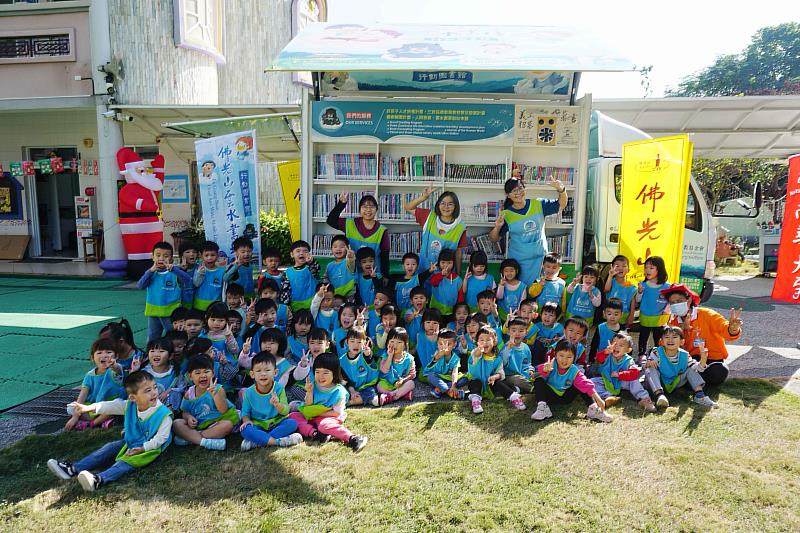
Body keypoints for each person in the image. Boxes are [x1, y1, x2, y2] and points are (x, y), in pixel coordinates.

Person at [47, 370, 173, 492]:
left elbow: (161, 439)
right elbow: (110, 406)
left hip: (151, 449)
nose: (154, 393)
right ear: (133, 397)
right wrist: (88, 408)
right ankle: (73, 469)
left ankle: (98, 480)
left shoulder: (163, 414)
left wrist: (143, 448)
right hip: (132, 441)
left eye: (155, 387)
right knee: (110, 447)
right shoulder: (129, 405)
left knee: (125, 462)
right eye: (148, 391)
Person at [489, 176, 568, 287]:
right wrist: (497, 227)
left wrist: (561, 189)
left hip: (539, 261)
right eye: (514, 191)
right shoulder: (506, 214)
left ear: (525, 189)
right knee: (520, 294)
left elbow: (561, 205)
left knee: (538, 293)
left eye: (520, 188)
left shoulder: (538, 204)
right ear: (508, 195)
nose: (518, 193)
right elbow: (494, 238)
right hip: (518, 264)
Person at [662, 283, 743, 386]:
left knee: (720, 371)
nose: (676, 304)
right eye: (672, 303)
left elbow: (725, 329)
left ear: (689, 300)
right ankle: (693, 381)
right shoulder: (673, 322)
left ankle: (690, 381)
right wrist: (682, 329)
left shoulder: (706, 314)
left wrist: (733, 328)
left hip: (712, 360)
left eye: (679, 301)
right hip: (690, 361)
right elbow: (665, 346)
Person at [288, 352, 369, 452]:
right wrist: (309, 392)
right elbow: (308, 405)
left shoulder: (339, 392)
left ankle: (353, 438)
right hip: (313, 415)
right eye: (317, 372)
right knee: (293, 416)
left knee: (324, 425)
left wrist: (317, 413)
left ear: (334, 374)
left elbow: (336, 412)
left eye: (325, 373)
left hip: (330, 416)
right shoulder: (313, 386)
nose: (321, 376)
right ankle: (317, 434)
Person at [529, 339, 612, 422]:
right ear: (555, 355)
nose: (565, 360)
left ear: (574, 358)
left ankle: (593, 409)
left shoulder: (574, 370)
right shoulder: (550, 364)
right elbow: (538, 373)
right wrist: (544, 370)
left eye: (569, 357)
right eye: (561, 355)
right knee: (539, 380)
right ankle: (543, 408)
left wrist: (599, 400)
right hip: (549, 396)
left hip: (566, 397)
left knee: (582, 384)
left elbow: (587, 384)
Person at [172, 355, 239, 450]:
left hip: (218, 422)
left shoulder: (218, 389)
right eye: (197, 373)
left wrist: (214, 394)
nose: (203, 375)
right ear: (190, 376)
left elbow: (223, 410)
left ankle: (192, 439)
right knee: (177, 423)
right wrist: (189, 417)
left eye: (206, 371)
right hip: (200, 424)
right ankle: (204, 441)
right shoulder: (189, 393)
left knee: (227, 425)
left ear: (213, 373)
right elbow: (185, 412)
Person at [239, 352, 303, 451]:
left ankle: (258, 441)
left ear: (275, 372)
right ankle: (278, 442)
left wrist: (277, 405)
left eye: (267, 370)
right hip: (258, 425)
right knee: (245, 429)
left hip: (276, 423)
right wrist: (246, 421)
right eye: (258, 371)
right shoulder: (249, 392)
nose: (263, 374)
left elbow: (286, 411)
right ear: (252, 374)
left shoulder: (279, 388)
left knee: (292, 423)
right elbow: (245, 412)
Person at [644, 326, 718, 409]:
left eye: (674, 337)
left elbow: (698, 368)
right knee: (650, 369)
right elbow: (646, 366)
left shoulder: (685, 355)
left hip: (675, 382)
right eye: (667, 337)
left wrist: (703, 358)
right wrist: (649, 363)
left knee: (691, 369)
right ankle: (660, 395)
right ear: (661, 341)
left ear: (682, 342)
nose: (670, 340)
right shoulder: (656, 352)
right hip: (658, 383)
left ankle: (700, 396)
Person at [64, 337, 124, 431]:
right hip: (93, 405)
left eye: (108, 352)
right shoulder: (89, 375)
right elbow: (82, 395)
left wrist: (114, 366)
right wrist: (75, 416)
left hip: (110, 404)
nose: (104, 356)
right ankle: (102, 422)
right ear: (92, 357)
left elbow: (118, 370)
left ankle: (93, 424)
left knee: (114, 407)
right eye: (99, 353)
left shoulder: (115, 370)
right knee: (72, 407)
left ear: (116, 356)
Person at [403, 188, 467, 272]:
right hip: (424, 271)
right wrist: (423, 198)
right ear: (438, 204)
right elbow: (408, 208)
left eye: (450, 204)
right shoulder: (429, 216)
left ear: (456, 206)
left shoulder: (460, 227)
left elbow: (458, 253)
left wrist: (458, 274)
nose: (446, 207)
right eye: (443, 203)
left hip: (445, 274)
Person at [327, 193, 389, 278]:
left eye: (371, 207)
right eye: (364, 207)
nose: (368, 210)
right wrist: (341, 204)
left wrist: (385, 276)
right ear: (359, 210)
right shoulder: (349, 223)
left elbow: (384, 257)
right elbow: (330, 221)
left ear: (376, 209)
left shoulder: (382, 231)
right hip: (351, 274)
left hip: (372, 276)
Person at [466, 326, 525, 414]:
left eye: (488, 340)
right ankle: (476, 402)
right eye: (481, 340)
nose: (484, 343)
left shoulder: (497, 359)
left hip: (490, 385)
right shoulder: (475, 352)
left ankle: (513, 397)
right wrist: (479, 349)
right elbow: (476, 355)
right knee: (475, 382)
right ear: (477, 342)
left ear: (494, 342)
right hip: (476, 384)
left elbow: (500, 373)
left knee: (498, 383)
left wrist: (494, 377)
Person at [592, 333, 656, 413]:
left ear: (628, 350)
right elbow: (599, 359)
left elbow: (635, 373)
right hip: (607, 380)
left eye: (621, 345)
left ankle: (644, 399)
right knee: (592, 382)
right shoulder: (607, 355)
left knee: (634, 381)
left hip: (622, 381)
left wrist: (619, 374)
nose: (616, 347)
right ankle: (609, 397)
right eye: (614, 344)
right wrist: (605, 352)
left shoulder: (629, 360)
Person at [636, 256, 671, 357]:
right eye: (646, 267)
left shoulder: (667, 286)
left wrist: (667, 310)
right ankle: (641, 355)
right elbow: (638, 300)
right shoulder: (643, 284)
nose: (647, 270)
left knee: (659, 339)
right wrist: (640, 292)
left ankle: (660, 357)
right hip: (645, 317)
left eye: (651, 268)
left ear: (659, 269)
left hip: (660, 318)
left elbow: (671, 301)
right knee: (643, 337)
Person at [339, 328, 380, 406]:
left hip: (366, 386)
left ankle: (351, 402)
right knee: (341, 392)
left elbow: (369, 359)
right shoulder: (342, 361)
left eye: (359, 342)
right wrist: (353, 391)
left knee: (371, 392)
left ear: (364, 342)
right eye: (352, 341)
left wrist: (368, 354)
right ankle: (359, 399)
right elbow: (345, 380)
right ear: (347, 342)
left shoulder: (365, 355)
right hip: (351, 388)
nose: (355, 345)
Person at [377, 327, 417, 405]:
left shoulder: (409, 358)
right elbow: (384, 370)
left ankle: (390, 396)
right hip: (387, 382)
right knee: (379, 386)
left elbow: (412, 374)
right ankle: (401, 395)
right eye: (392, 341)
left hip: (401, 384)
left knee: (411, 383)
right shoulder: (385, 356)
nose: (395, 345)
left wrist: (403, 380)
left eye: (399, 342)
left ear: (405, 345)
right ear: (388, 343)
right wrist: (390, 356)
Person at [424, 328, 467, 399]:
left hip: (449, 379)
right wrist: (442, 352)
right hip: (438, 377)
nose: (444, 347)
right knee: (431, 376)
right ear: (437, 343)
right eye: (441, 344)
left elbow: (454, 373)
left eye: (448, 344)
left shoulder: (456, 358)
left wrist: (454, 385)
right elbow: (436, 357)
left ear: (454, 345)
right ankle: (449, 391)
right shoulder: (437, 353)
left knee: (464, 379)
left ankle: (439, 390)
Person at [280, 240, 321, 311]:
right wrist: (286, 306)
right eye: (298, 251)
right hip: (295, 307)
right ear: (292, 254)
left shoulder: (311, 267)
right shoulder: (288, 272)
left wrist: (311, 262)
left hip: (313, 305)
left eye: (305, 251)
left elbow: (317, 270)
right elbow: (285, 291)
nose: (301, 253)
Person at [501, 318, 534, 398]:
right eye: (514, 330)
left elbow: (527, 363)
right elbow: (503, 362)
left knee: (538, 375)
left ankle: (518, 390)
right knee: (517, 379)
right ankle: (534, 389)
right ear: (508, 332)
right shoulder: (507, 346)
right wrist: (508, 349)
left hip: (523, 374)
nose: (517, 333)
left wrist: (530, 370)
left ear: (526, 332)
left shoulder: (526, 347)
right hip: (509, 376)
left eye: (521, 331)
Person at [427, 248, 463, 318]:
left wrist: (458, 310)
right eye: (443, 262)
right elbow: (433, 282)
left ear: (453, 263)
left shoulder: (458, 279)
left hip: (451, 312)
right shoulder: (436, 276)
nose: (446, 265)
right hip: (436, 311)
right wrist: (441, 275)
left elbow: (460, 297)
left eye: (449, 263)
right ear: (439, 263)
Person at [603, 255, 637, 328]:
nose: (620, 268)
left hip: (624, 317)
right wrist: (610, 275)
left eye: (624, 266)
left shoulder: (631, 287)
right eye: (617, 266)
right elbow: (606, 289)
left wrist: (631, 316)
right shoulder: (611, 281)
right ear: (612, 268)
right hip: (610, 316)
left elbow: (632, 303)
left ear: (628, 270)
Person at [588, 298, 626, 363]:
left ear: (621, 314)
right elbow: (594, 345)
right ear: (604, 313)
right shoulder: (600, 328)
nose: (612, 317)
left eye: (616, 314)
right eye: (609, 314)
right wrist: (591, 360)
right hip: (602, 359)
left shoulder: (623, 330)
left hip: (617, 361)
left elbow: (626, 345)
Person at [193, 240, 225, 312]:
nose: (210, 258)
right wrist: (200, 274)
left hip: (216, 308)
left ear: (217, 255)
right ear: (201, 256)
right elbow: (195, 284)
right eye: (206, 255)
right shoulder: (198, 269)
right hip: (199, 307)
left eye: (213, 255)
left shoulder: (222, 271)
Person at [323, 235, 356, 300]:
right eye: (335, 247)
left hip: (349, 297)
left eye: (342, 247)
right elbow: (326, 279)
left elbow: (351, 263)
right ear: (331, 249)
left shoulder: (348, 261)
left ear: (348, 248)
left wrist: (351, 257)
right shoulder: (329, 265)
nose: (338, 249)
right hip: (334, 297)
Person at [178, 241, 199, 308]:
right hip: (181, 306)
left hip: (196, 306)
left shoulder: (200, 268)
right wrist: (183, 270)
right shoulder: (176, 269)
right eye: (187, 252)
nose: (192, 254)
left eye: (194, 252)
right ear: (181, 255)